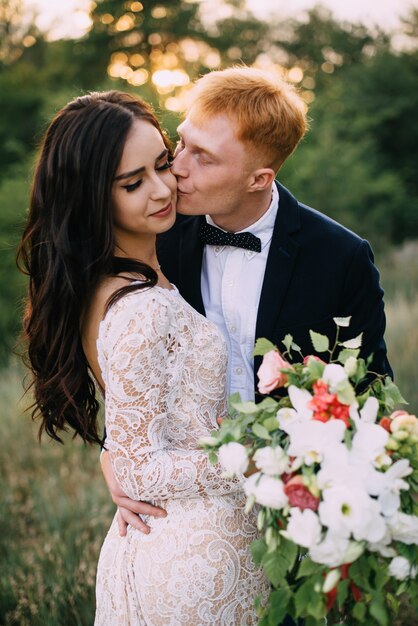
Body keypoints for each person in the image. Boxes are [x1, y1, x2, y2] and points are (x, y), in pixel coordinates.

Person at [103, 66, 393, 539]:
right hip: (180, 512)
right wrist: (110, 453)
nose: (177, 168)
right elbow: (120, 356)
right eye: (182, 143)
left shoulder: (341, 257)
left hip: (297, 512)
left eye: (204, 158)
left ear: (260, 178)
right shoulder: (157, 233)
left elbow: (370, 394)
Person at [17, 90, 270, 625]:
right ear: (91, 196)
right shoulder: (140, 309)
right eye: (133, 183)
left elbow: (134, 435)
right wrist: (263, 457)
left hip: (188, 541)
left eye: (162, 164)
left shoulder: (118, 274)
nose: (161, 190)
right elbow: (138, 463)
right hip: (190, 557)